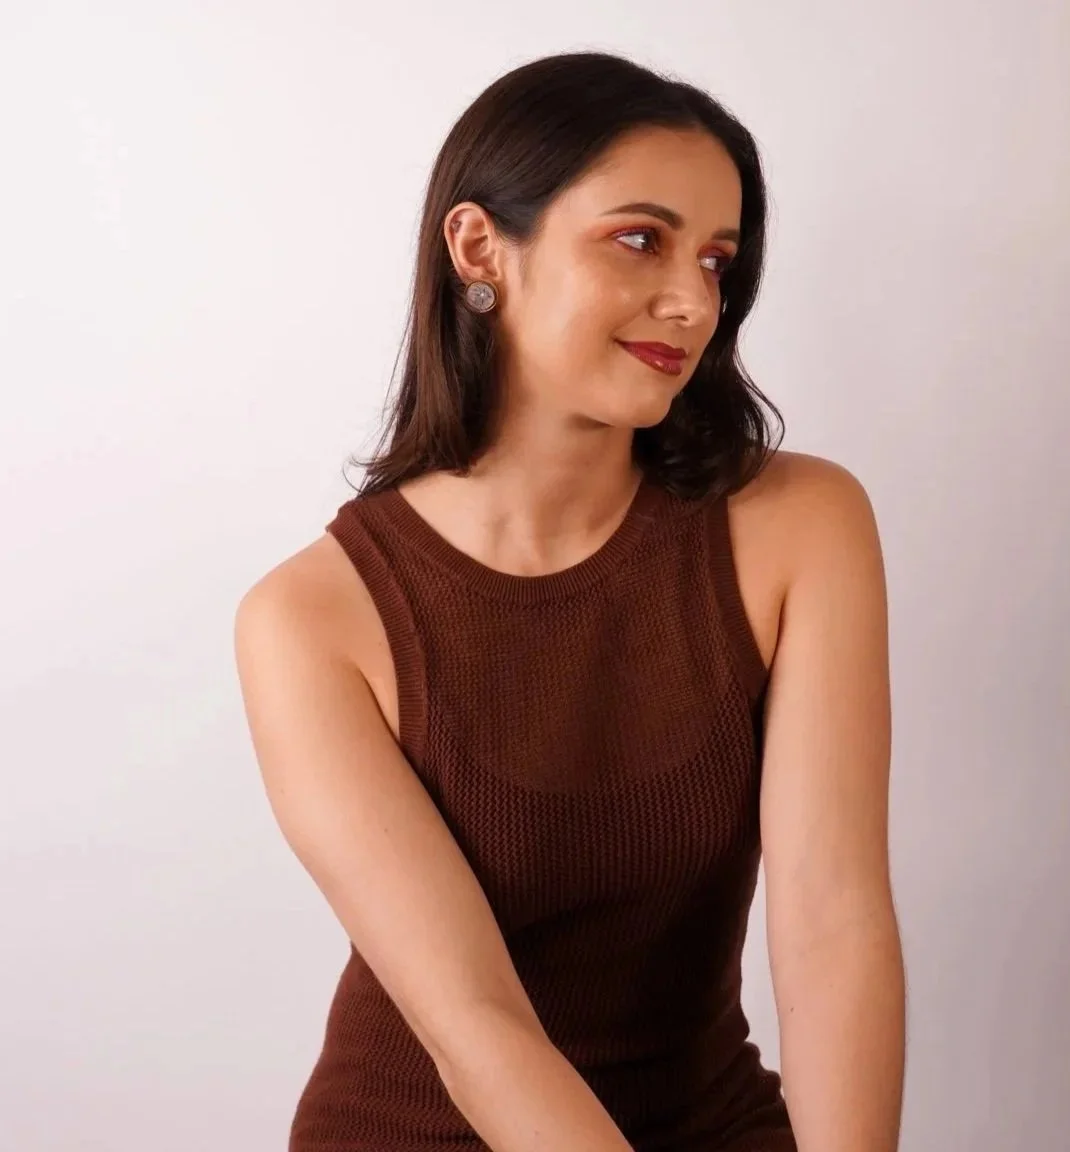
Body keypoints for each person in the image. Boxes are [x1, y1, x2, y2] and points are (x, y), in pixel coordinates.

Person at [234, 50, 905, 1152]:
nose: (693, 301)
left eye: (718, 260)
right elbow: (477, 1027)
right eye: (640, 238)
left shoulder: (802, 523)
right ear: (479, 247)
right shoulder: (309, 620)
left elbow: (833, 925)